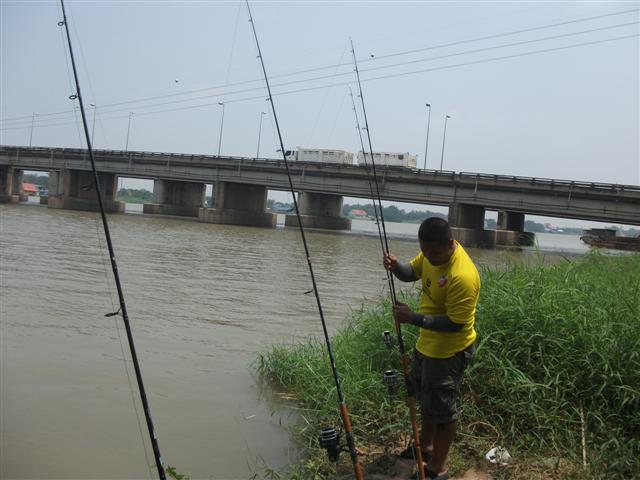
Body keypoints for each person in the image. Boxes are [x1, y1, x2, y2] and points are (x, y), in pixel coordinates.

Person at [383, 217, 480, 480]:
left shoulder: (462, 275)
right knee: (427, 399)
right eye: (424, 252)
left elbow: (456, 324)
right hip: (426, 344)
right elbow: (409, 273)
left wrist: (412, 317)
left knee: (443, 411)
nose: (429, 258)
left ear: (449, 245)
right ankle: (424, 448)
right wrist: (395, 267)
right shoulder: (429, 253)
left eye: (434, 253)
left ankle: (437, 469)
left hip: (449, 351)